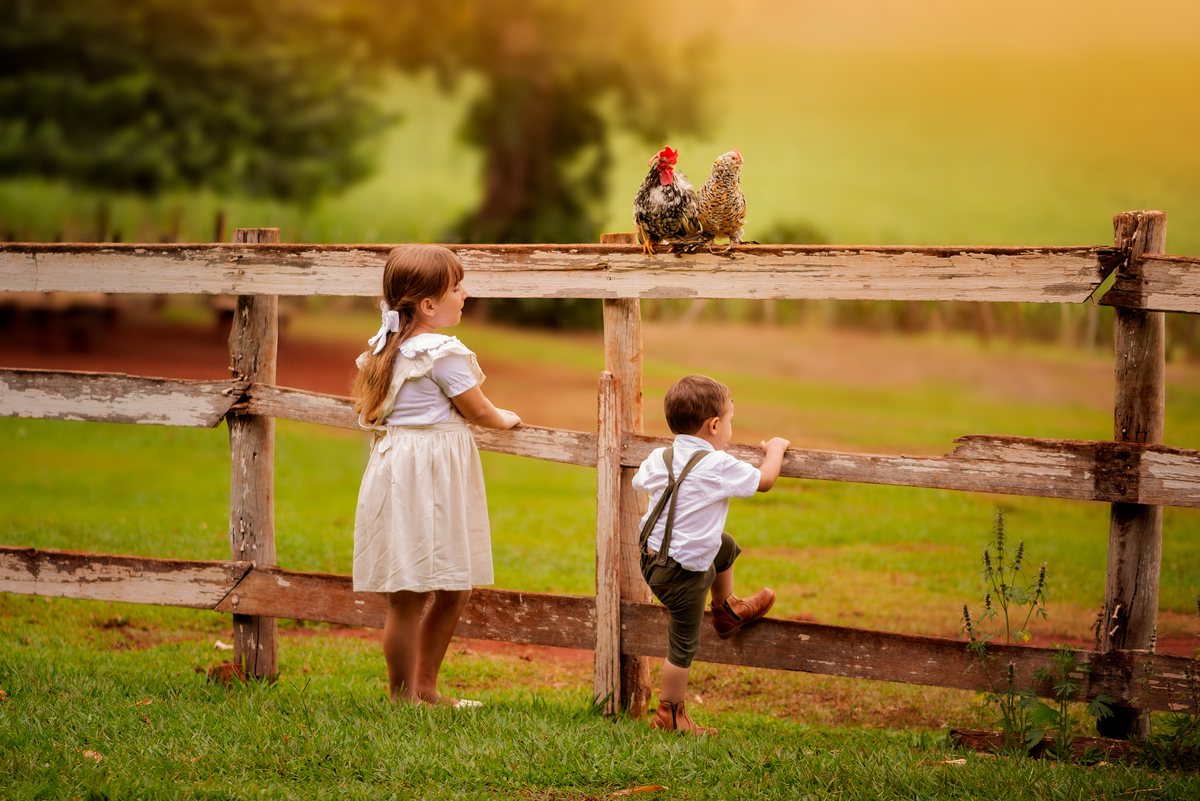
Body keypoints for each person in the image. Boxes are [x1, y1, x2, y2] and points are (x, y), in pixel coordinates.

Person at [351, 245, 520, 707]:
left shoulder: (386, 346)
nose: (465, 294)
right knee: (427, 589)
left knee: (434, 587)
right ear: (427, 305)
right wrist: (506, 419)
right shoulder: (440, 351)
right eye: (457, 287)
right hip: (427, 472)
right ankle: (409, 693)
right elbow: (479, 410)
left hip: (399, 467)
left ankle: (420, 690)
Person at [633, 373, 789, 735]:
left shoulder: (660, 456)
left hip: (651, 559)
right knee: (682, 644)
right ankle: (669, 715)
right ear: (714, 424)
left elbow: (639, 481)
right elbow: (764, 481)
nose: (731, 428)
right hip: (682, 575)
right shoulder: (717, 464)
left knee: (724, 543)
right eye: (731, 420)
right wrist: (776, 449)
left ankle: (727, 608)